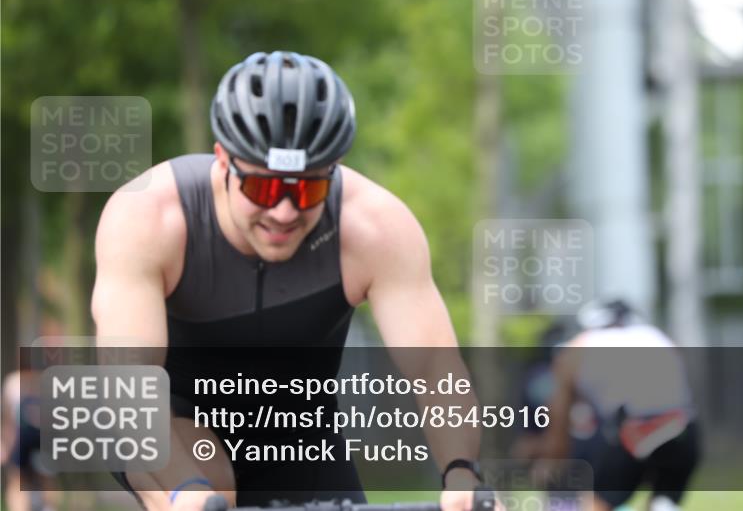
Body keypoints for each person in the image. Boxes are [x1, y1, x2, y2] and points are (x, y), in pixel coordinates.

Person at [90, 52, 485, 511]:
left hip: (299, 439)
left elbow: (435, 370)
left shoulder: (373, 228)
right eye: (263, 188)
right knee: (212, 486)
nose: (283, 212)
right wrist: (187, 493)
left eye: (307, 190)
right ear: (223, 160)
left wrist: (461, 473)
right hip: (167, 429)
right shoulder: (149, 216)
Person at [536, 300, 700, 510]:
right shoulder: (657, 336)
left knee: (598, 502)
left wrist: (553, 461)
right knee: (663, 501)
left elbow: (559, 414)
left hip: (636, 428)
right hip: (683, 427)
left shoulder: (579, 346)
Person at [1, 370, 60, 511]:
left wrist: (5, 446)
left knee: (17, 480)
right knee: (45, 480)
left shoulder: (14, 381)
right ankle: (48, 506)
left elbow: (9, 420)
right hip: (42, 439)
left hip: (24, 439)